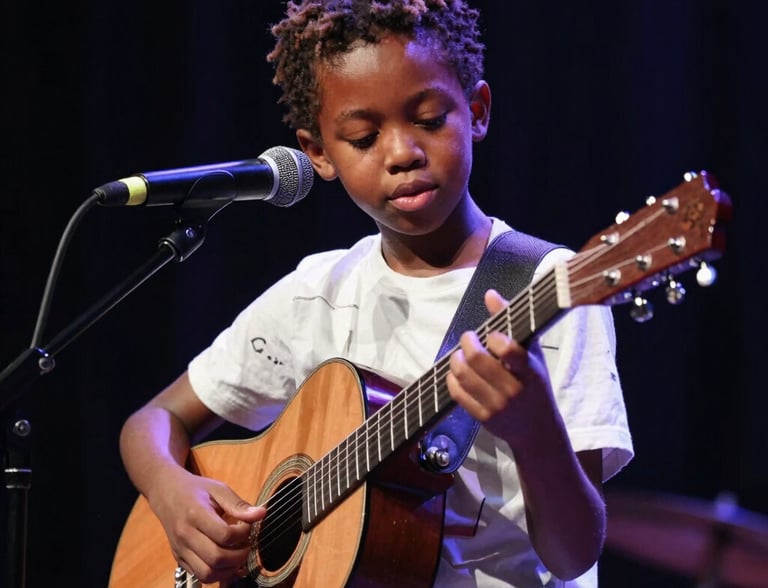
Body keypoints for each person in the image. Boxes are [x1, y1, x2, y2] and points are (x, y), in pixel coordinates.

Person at [118, 1, 633, 586]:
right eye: (364, 138)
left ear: (477, 111)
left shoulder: (549, 287)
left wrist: (533, 428)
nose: (402, 154)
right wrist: (173, 493)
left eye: (430, 120)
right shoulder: (317, 293)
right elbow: (151, 421)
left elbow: (573, 555)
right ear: (319, 152)